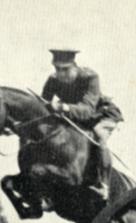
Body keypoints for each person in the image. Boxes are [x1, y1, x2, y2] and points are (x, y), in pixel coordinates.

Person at [41, 49, 123, 200]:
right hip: (75, 117)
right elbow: (43, 108)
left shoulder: (90, 77)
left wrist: (62, 107)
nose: (60, 74)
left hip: (100, 115)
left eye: (65, 69)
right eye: (57, 68)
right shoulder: (52, 80)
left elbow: (87, 111)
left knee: (99, 134)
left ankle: (104, 187)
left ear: (74, 66)